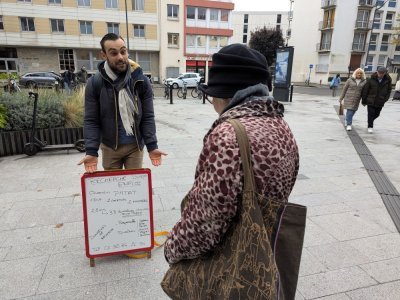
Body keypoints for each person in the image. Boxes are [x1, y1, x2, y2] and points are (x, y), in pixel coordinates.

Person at [163, 44, 299, 294]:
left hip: (230, 264)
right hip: (264, 255)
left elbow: (206, 220)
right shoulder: (282, 126)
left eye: (212, 94)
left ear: (226, 94)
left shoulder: (228, 135)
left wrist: (172, 248)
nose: (211, 100)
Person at [78, 33, 166, 172]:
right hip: (110, 147)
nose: (120, 57)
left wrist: (152, 145)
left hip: (135, 146)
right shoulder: (95, 83)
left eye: (123, 51)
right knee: (114, 191)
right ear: (104, 55)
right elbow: (91, 120)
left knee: (133, 188)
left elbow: (147, 116)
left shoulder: (141, 81)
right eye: (113, 53)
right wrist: (91, 151)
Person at [361, 66, 392, 133]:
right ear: (377, 72)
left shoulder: (388, 80)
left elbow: (389, 90)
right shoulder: (371, 79)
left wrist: (385, 99)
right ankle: (370, 126)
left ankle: (370, 121)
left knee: (377, 114)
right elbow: (365, 90)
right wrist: (364, 100)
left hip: (380, 100)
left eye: (382, 73)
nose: (380, 74)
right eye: (379, 72)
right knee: (370, 113)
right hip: (371, 100)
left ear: (385, 73)